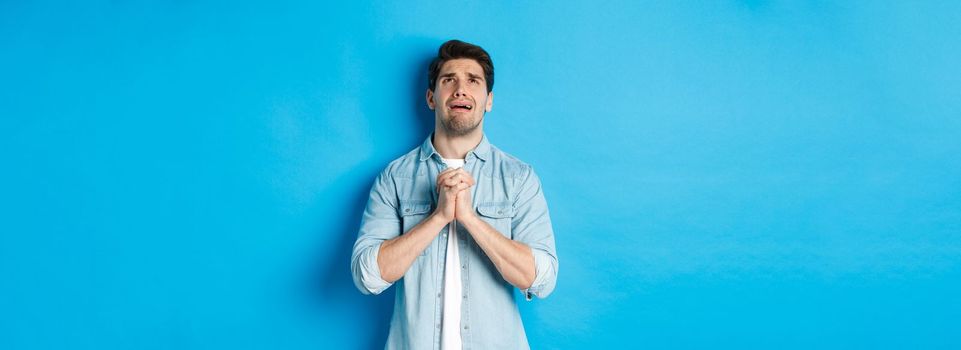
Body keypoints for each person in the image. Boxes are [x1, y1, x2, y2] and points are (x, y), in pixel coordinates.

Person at [351, 39, 558, 350]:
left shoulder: (519, 178)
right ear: (432, 98)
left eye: (473, 81)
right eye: (449, 80)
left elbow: (541, 278)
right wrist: (439, 217)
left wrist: (470, 219)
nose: (461, 89)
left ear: (488, 100)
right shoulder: (394, 178)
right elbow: (367, 275)